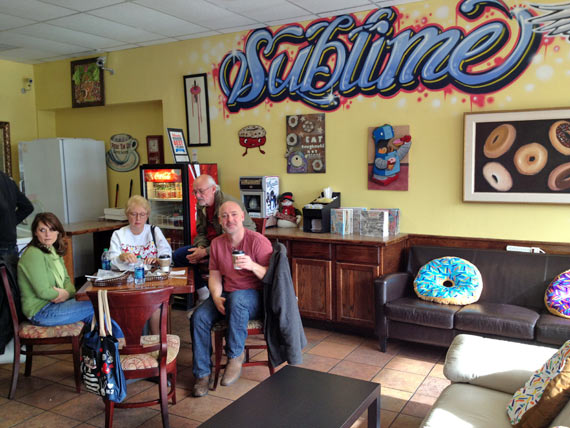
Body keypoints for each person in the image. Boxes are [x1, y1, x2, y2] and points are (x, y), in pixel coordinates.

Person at [190, 201, 272, 397]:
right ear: (219, 221)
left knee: (238, 300)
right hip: (226, 292)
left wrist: (252, 265)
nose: (230, 219)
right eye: (224, 216)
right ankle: (202, 374)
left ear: (242, 216)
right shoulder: (217, 243)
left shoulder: (258, 241)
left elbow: (273, 275)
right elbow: (215, 274)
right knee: (198, 317)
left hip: (254, 296)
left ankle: (235, 355)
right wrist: (216, 296)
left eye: (234, 214)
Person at [17, 212, 122, 338]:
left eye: (52, 229)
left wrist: (65, 293)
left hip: (57, 305)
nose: (47, 234)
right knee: (98, 303)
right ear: (35, 232)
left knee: (98, 314)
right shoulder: (33, 254)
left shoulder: (53, 251)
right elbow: (43, 292)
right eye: (42, 230)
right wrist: (64, 293)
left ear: (58, 232)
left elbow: (68, 283)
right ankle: (121, 346)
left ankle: (104, 351)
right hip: (41, 312)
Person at [172, 174, 255, 308]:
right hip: (209, 246)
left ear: (213, 189)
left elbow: (231, 238)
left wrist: (205, 252)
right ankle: (204, 293)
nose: (197, 195)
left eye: (201, 191)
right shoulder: (202, 205)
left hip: (231, 248)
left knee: (217, 261)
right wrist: (200, 247)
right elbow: (201, 231)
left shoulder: (227, 205)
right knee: (179, 256)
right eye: (195, 192)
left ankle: (220, 298)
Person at [108, 195, 172, 334]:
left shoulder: (154, 231)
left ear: (147, 215)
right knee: (133, 308)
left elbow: (167, 255)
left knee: (155, 307)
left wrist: (157, 259)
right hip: (126, 282)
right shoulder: (118, 235)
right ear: (127, 214)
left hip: (150, 280)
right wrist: (121, 256)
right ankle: (136, 344)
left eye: (142, 214)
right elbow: (111, 261)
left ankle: (157, 344)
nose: (138, 219)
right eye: (134, 214)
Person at [0, 171, 33, 271]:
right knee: (11, 284)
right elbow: (27, 206)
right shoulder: (7, 180)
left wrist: (8, 222)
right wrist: (9, 223)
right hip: (10, 243)